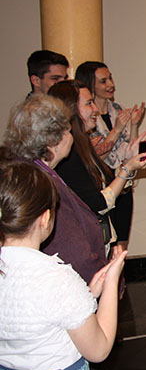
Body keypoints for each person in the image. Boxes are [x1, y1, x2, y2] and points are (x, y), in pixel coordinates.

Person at [0, 161, 126, 370]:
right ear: (45, 218)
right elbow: (99, 349)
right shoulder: (57, 280)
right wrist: (111, 282)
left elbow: (40, 315)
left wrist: (87, 294)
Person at [0, 93, 107, 284]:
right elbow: (73, 251)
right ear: (53, 142)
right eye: (68, 131)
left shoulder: (22, 171)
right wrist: (107, 278)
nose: (71, 137)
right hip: (70, 285)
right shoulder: (39, 184)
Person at [48, 80, 146, 258]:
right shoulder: (68, 155)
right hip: (79, 248)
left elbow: (109, 184)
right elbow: (98, 204)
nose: (95, 109)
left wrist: (128, 162)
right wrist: (128, 168)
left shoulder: (83, 144)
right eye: (89, 103)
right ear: (70, 109)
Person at [76, 61, 146, 255]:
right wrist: (116, 130)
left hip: (122, 187)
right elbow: (94, 157)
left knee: (121, 247)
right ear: (90, 84)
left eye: (111, 78)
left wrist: (134, 125)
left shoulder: (117, 109)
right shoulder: (85, 120)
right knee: (102, 246)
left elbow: (129, 150)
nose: (111, 85)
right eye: (103, 81)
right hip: (101, 189)